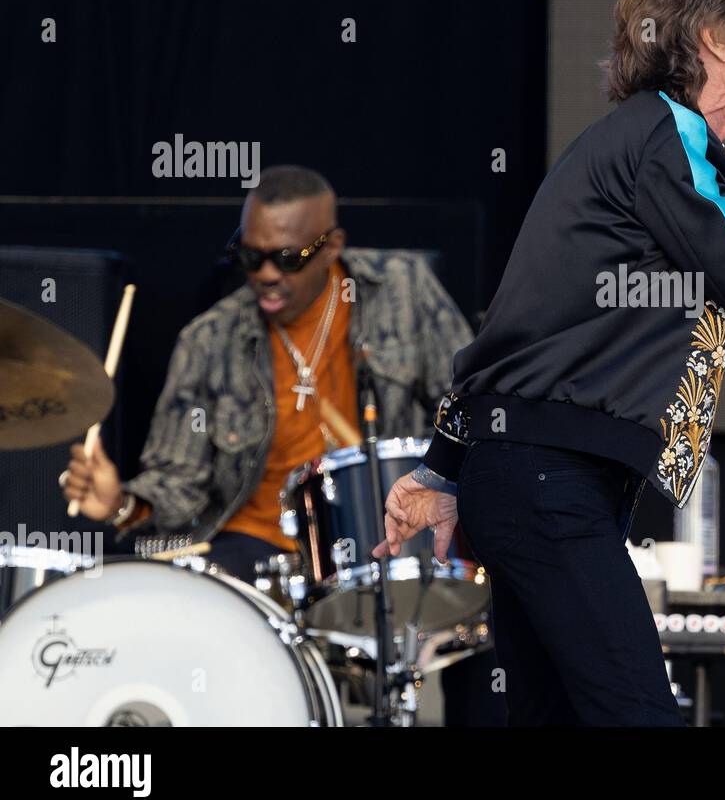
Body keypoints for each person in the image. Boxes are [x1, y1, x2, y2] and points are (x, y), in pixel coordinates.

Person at [376, 0, 725, 725]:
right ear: (713, 39)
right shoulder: (665, 137)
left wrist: (443, 468)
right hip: (547, 484)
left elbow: (515, 323)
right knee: (638, 713)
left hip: (533, 480)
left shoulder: (636, 140)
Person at [60, 165, 473, 583]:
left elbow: (467, 402)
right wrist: (121, 504)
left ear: (331, 247)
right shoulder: (210, 338)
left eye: (287, 259)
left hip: (389, 527)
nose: (266, 275)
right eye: (250, 257)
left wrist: (441, 485)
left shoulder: (401, 290)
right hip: (256, 550)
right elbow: (179, 483)